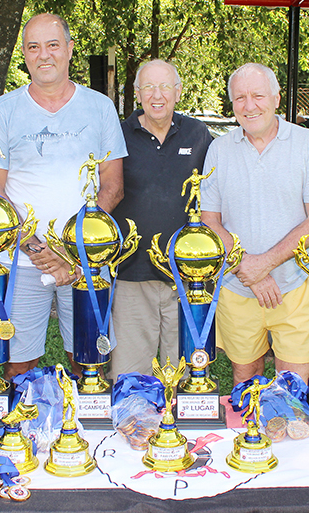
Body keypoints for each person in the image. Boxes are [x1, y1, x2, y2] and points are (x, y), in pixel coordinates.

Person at [0, 13, 127, 380]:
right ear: (25, 55)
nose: (43, 55)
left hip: (86, 261)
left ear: (69, 49)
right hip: (21, 261)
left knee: (89, 363)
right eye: (33, 47)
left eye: (52, 45)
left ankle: (80, 437)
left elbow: (113, 184)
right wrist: (34, 247)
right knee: (14, 363)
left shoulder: (99, 107)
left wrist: (71, 246)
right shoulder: (2, 109)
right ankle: (18, 436)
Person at [201, 63, 309, 387]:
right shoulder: (218, 149)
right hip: (238, 286)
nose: (249, 105)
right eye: (240, 98)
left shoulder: (306, 144)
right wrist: (250, 269)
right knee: (245, 381)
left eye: (257, 95)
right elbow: (209, 221)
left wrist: (265, 263)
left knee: (293, 387)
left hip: (295, 286)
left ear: (276, 97)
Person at [109, 59, 212, 378]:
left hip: (188, 276)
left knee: (186, 374)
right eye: (149, 87)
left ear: (178, 92)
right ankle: (134, 428)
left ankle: (180, 427)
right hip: (131, 273)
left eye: (165, 86)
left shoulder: (198, 134)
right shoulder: (117, 135)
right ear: (137, 93)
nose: (157, 94)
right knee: (129, 375)